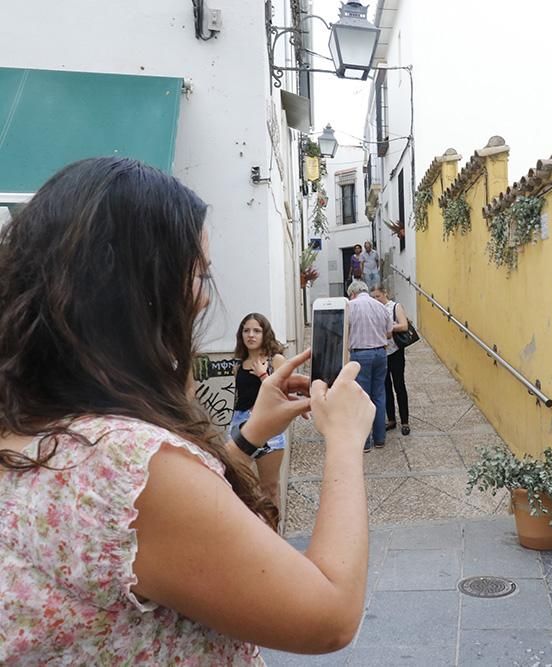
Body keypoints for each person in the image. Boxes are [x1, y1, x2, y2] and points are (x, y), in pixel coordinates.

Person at [0, 157, 374, 662]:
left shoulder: (35, 429)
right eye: (198, 273)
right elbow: (329, 615)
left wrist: (249, 434)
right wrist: (346, 442)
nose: (202, 300)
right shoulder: (125, 463)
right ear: (139, 289)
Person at [230, 312, 287, 507]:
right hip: (240, 424)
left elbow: (284, 396)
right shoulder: (239, 363)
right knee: (239, 486)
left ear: (265, 334)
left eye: (256, 330)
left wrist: (263, 376)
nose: (251, 335)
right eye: (246, 331)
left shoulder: (275, 361)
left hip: (269, 425)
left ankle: (273, 533)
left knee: (269, 487)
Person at [347, 280, 393, 452]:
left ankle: (365, 442)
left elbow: (344, 331)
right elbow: (389, 333)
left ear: (352, 293)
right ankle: (380, 439)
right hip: (381, 353)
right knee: (379, 395)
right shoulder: (380, 306)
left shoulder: (350, 306)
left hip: (360, 355)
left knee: (361, 398)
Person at [372, 286, 411, 436]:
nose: (376, 300)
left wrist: (389, 328)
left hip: (395, 351)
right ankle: (391, 419)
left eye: (378, 296)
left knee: (399, 385)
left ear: (385, 293)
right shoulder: (374, 309)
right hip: (381, 351)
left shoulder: (395, 306)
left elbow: (404, 325)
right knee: (385, 386)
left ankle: (405, 421)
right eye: (373, 297)